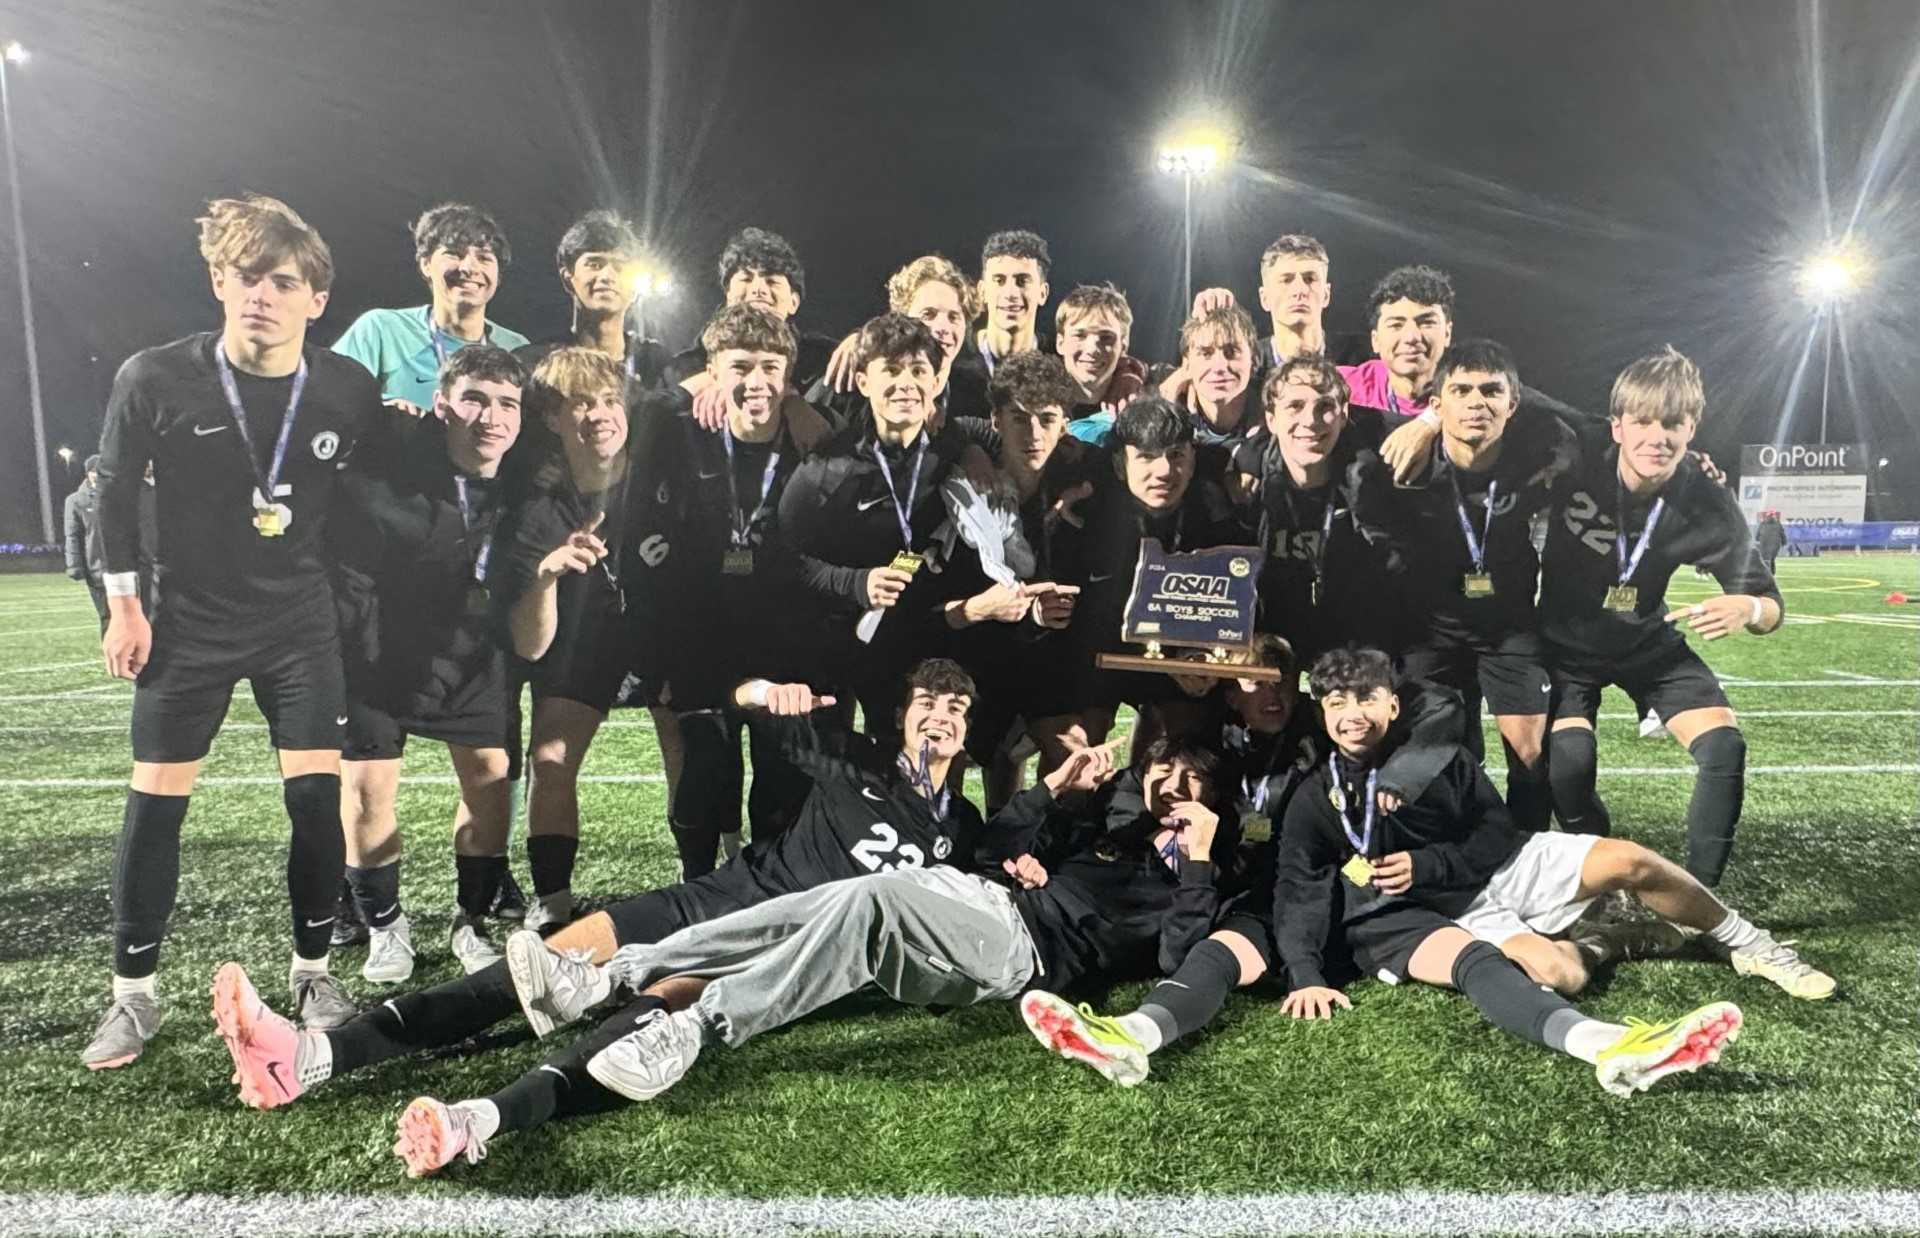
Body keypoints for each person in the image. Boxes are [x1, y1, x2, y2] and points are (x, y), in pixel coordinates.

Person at [380, 732, 1226, 1177]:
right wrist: (1050, 797)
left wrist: (1198, 867)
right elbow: (993, 847)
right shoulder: (1110, 830)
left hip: (1021, 952)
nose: (1170, 789)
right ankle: (608, 976)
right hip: (978, 904)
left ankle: (700, 1025)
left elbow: (1179, 953)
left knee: (865, 899)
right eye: (1163, 776)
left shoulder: (1185, 878)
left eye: (1189, 782)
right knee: (821, 907)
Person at [209, 661, 986, 1110]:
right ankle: (317, 1056)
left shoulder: (969, 830)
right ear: (900, 716)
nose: (941, 716)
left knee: (643, 1027)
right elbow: (739, 700)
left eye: (956, 708)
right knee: (542, 964)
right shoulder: (851, 759)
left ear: (970, 730)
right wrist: (760, 694)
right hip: (715, 901)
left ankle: (484, 1119)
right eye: (927, 702)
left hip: (774, 956)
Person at [82, 194, 384, 1069]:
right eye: (247, 276)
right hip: (190, 623)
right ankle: (133, 997)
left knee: (313, 799)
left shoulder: (345, 389)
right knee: (156, 806)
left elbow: (375, 490)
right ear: (219, 281)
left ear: (314, 299)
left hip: (299, 622)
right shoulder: (154, 377)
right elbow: (112, 492)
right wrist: (126, 606)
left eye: (283, 280)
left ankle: (314, 972)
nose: (264, 294)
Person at [1274, 648, 1745, 1097]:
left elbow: (1496, 828)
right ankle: (1608, 1023)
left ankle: (1740, 942)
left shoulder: (1439, 758)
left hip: (1475, 880)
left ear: (1394, 706)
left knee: (1626, 861)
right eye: (1337, 703)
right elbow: (1299, 885)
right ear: (1323, 714)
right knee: (1553, 972)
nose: (1353, 715)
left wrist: (1431, 863)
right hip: (1399, 915)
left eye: (1367, 699)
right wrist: (1305, 974)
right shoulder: (1315, 795)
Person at [1019, 635, 1462, 1085]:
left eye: (1281, 681)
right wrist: (1144, 833)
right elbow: (1144, 780)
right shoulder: (1216, 741)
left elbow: (1439, 702)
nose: (1273, 695)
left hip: (1316, 887)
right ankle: (1130, 1033)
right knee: (1215, 951)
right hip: (1240, 891)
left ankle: (1137, 1030)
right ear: (1231, 694)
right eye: (1256, 683)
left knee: (1241, 941)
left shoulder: (1329, 734)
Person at [1542, 347, 1783, 886]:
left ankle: (1699, 899)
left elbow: (1771, 605)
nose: (1658, 436)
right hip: (1565, 648)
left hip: (1646, 640)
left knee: (1724, 746)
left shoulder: (1707, 500)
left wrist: (1746, 606)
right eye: (1643, 421)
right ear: (1617, 426)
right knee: (1570, 765)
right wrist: (1429, 419)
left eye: (1672, 423)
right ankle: (1608, 866)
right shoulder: (1579, 447)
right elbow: (1506, 392)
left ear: (1691, 427)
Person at [328, 345, 529, 981]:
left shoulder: (529, 481)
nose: (489, 417)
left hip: (473, 656)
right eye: (473, 399)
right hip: (383, 653)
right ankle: (386, 927)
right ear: (442, 405)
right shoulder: (391, 466)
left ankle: (470, 918)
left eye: (506, 403)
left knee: (491, 780)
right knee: (366, 792)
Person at [1370, 339, 1574, 830]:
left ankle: (1527, 853)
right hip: (1428, 630)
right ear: (1438, 405)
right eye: (1460, 390)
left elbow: (1603, 433)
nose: (1477, 402)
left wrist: (1688, 471)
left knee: (1529, 751)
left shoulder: (1540, 450)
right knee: (1430, 742)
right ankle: (1455, 846)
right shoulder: (1404, 455)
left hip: (1508, 629)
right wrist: (1422, 425)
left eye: (1491, 391)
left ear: (1513, 403)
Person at [661, 305, 815, 877]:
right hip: (704, 638)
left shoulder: (810, 442)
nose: (756, 382)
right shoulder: (684, 437)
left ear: (789, 374)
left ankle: (769, 885)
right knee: (704, 768)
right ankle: (696, 884)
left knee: (782, 776)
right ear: (712, 371)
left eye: (770, 366)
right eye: (740, 366)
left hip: (785, 640)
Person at [777, 314, 976, 738]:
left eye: (919, 371)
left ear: (938, 382)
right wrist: (855, 582)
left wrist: (979, 454)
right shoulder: (827, 468)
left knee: (901, 775)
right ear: (864, 381)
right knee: (817, 774)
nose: (906, 383)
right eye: (890, 369)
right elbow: (784, 561)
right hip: (832, 642)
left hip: (911, 646)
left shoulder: (956, 455)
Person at [1233, 354, 1400, 663]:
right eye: (1294, 406)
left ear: (1344, 414)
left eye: (1325, 407)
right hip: (1270, 638)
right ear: (1270, 418)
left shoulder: (1370, 482)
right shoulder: (1246, 486)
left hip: (1350, 637)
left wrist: (1430, 424)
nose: (1310, 420)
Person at [332, 203, 531, 414]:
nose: (469, 268)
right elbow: (329, 400)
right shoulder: (382, 331)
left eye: (484, 258)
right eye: (454, 254)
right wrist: (380, 412)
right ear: (426, 264)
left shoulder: (516, 349)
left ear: (498, 275)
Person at [1155, 304, 1262, 449]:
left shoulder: (1276, 411)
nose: (1219, 367)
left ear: (1254, 360)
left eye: (1231, 352)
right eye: (1206, 354)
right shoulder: (1164, 401)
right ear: (1186, 364)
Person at [1053, 283, 1148, 443]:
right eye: (1080, 335)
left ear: (1123, 345)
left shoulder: (1143, 406)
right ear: (1060, 343)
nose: (1092, 349)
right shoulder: (1037, 408)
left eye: (1106, 337)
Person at [1755, 509, 1787, 574]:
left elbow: (1757, 536)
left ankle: (1766, 572)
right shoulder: (1778, 524)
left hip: (1764, 545)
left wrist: (1759, 540)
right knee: (1772, 559)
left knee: (1765, 559)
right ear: (1773, 516)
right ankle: (1772, 573)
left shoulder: (1762, 524)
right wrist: (1784, 542)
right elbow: (1782, 534)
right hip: (1775, 546)